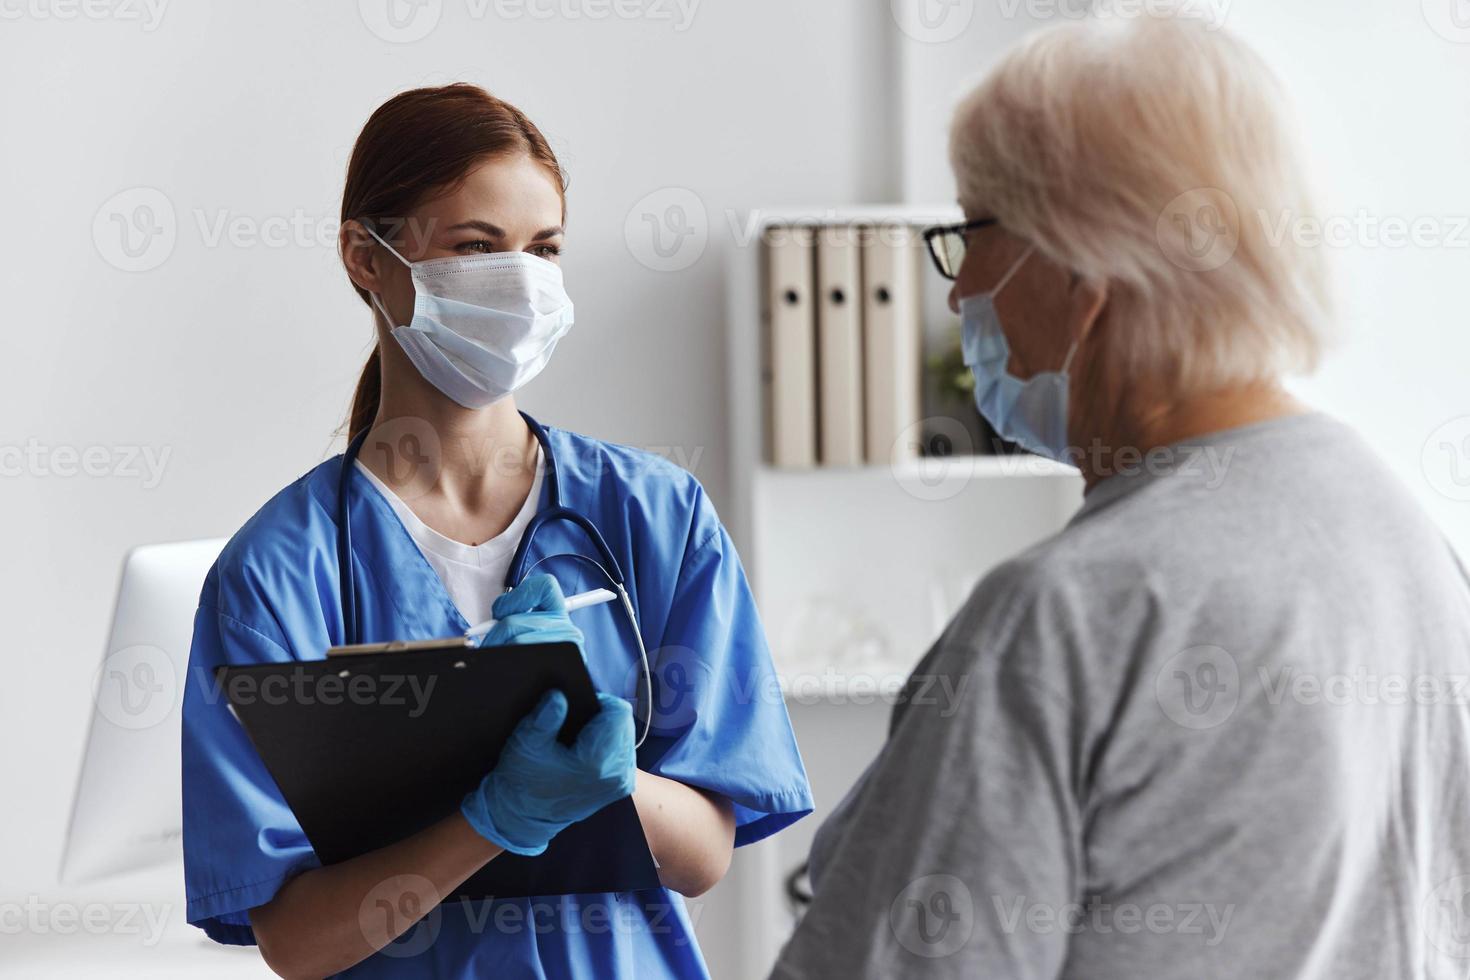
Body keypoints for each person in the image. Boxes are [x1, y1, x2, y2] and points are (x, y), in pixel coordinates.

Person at [772, 12, 1470, 980]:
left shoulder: (1067, 610)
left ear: (1081, 271)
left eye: (972, 229)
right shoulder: (1409, 541)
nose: (956, 287)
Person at [181, 83, 812, 979]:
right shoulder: (278, 572)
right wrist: (490, 820)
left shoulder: (655, 515)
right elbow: (296, 940)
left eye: (544, 249)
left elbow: (705, 854)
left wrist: (605, 764)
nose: (521, 282)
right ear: (367, 256)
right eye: (477, 247)